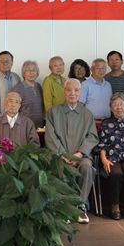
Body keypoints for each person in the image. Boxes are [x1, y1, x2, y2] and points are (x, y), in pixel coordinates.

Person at [45, 79, 98, 224]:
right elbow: (51, 137)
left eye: (76, 90)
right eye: (69, 90)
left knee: (87, 167)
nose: (72, 93)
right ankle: (65, 207)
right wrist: (63, 155)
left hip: (81, 155)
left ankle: (80, 205)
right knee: (60, 168)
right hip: (60, 155)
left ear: (80, 92)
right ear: (64, 92)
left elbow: (92, 137)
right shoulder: (53, 112)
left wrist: (79, 154)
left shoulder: (87, 114)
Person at [104, 51, 124, 119]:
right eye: (111, 60)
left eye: (117, 59)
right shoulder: (105, 79)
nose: (114, 62)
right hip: (110, 117)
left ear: (122, 61)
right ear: (108, 63)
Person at [13, 60, 44, 128]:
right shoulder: (18, 88)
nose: (31, 73)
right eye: (28, 70)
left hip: (40, 126)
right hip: (24, 126)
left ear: (37, 73)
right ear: (24, 73)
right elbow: (14, 109)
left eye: (34, 70)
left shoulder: (38, 86)